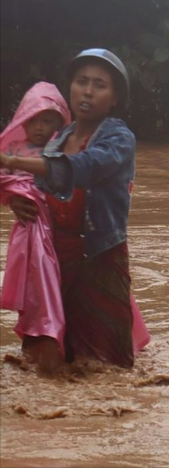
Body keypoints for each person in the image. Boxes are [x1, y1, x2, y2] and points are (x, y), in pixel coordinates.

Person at [0, 50, 150, 368]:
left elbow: (83, 167)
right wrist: (17, 201)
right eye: (82, 82)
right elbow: (37, 189)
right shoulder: (59, 138)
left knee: (106, 363)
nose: (88, 91)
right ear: (70, 89)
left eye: (99, 85)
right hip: (57, 259)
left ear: (114, 98)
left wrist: (13, 161)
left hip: (100, 257)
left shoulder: (119, 138)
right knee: (51, 359)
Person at [1, 82, 70, 372]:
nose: (39, 127)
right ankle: (41, 335)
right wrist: (11, 197)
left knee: (62, 284)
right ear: (22, 121)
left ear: (59, 123)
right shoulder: (13, 149)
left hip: (61, 230)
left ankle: (53, 338)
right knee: (37, 277)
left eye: (47, 120)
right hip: (29, 229)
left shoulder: (63, 151)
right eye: (34, 120)